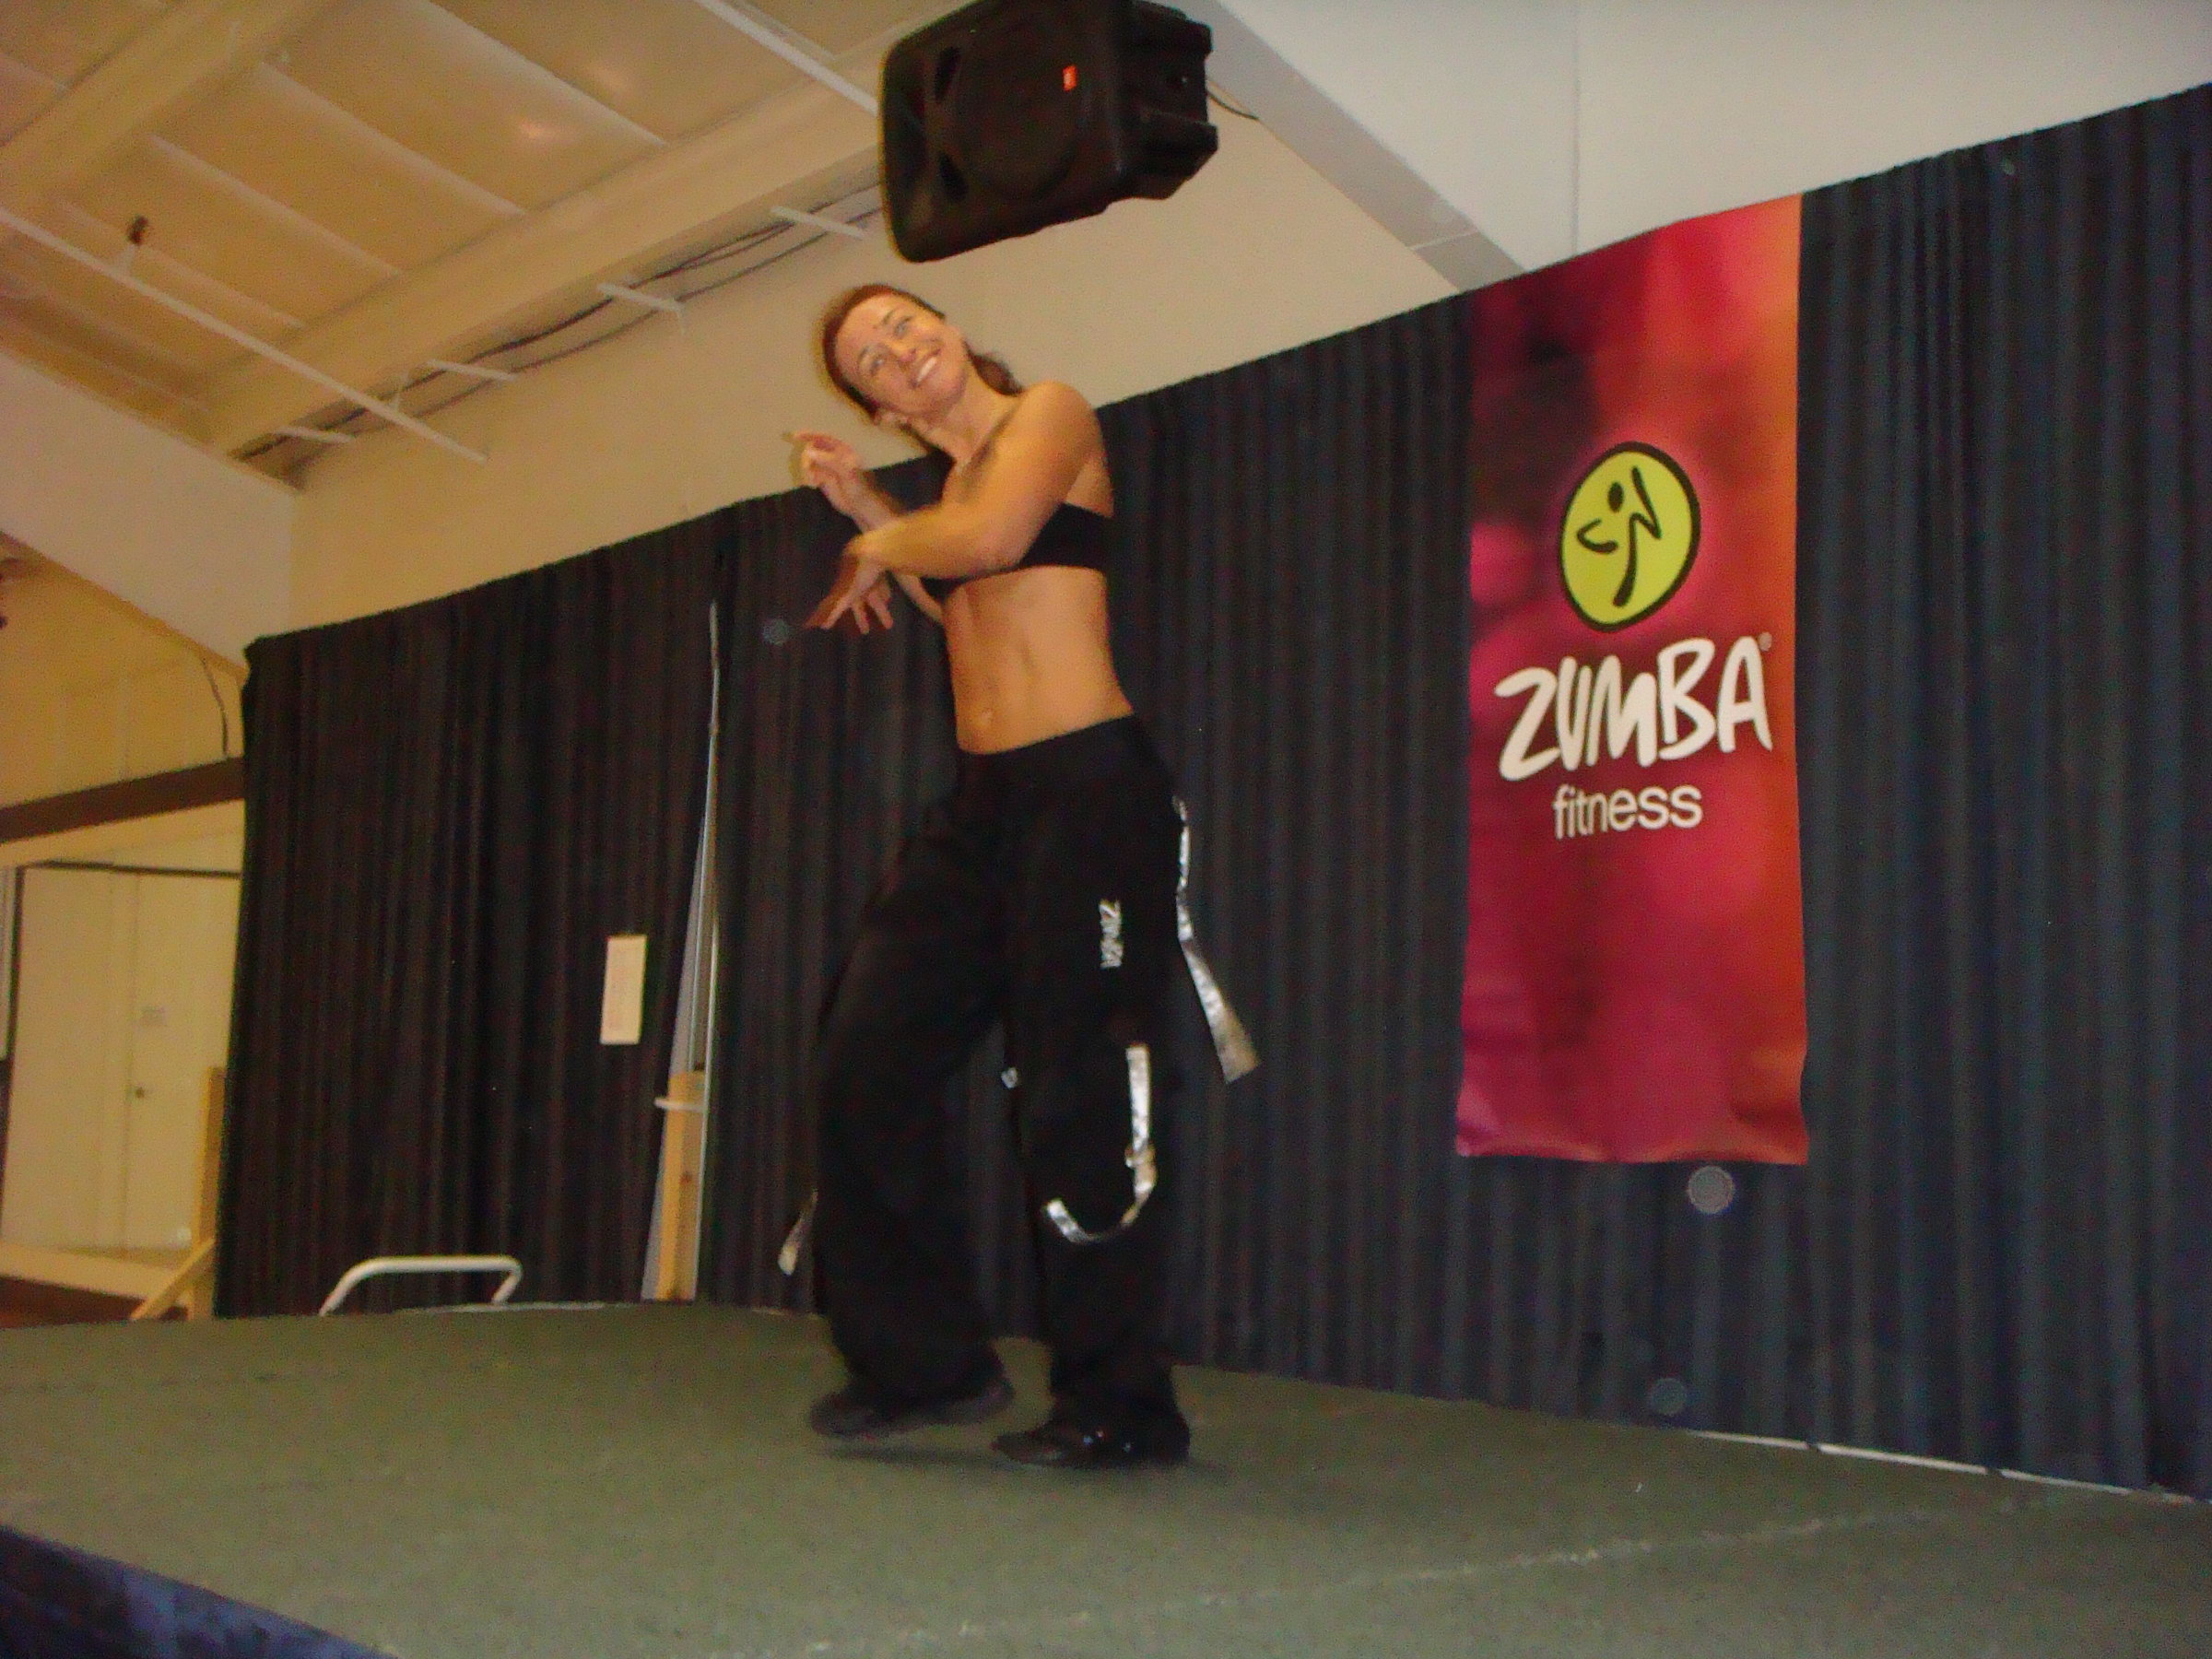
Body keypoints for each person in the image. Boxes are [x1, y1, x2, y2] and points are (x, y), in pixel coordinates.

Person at [786, 284, 1248, 1470]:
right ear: (878, 405)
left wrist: (870, 537)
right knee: (864, 1064)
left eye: (902, 323)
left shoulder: (1048, 414)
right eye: (869, 357)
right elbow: (964, 591)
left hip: (1089, 792)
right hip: (984, 811)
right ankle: (925, 1365)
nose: (897, 349)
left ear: (948, 330)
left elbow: (993, 541)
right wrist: (872, 506)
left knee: (1080, 1098)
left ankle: (1120, 1406)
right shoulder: (947, 496)